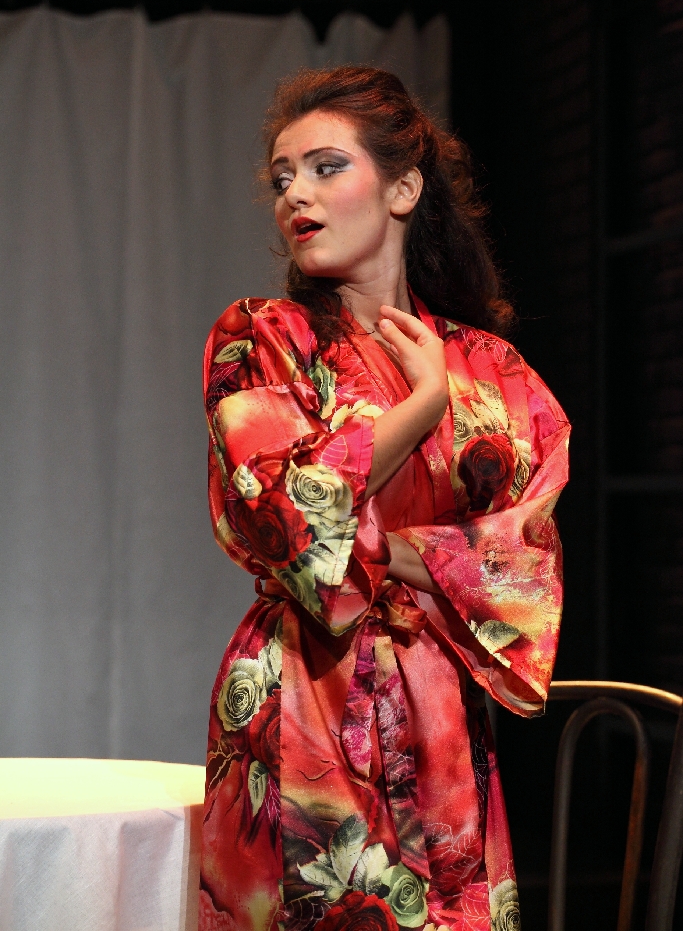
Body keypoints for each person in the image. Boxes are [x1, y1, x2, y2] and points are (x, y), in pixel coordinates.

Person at [198, 66, 570, 931]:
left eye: (326, 167)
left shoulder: (495, 369)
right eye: (283, 178)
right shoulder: (261, 338)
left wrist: (372, 545)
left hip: (439, 712)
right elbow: (277, 516)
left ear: (403, 189)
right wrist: (421, 407)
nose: (295, 194)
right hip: (303, 692)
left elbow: (521, 568)